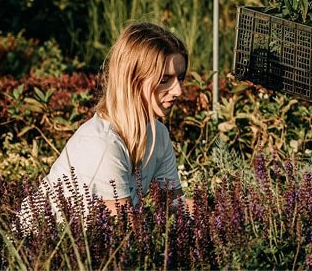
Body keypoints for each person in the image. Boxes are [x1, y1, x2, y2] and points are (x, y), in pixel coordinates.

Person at [19, 22, 189, 229]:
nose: (178, 91)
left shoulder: (158, 134)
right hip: (39, 250)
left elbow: (173, 204)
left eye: (180, 78)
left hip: (89, 249)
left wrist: (227, 214)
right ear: (132, 79)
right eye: (165, 79)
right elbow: (123, 229)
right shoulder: (103, 143)